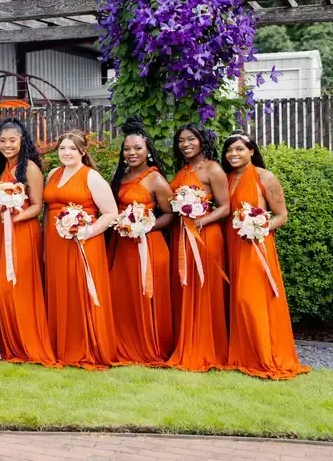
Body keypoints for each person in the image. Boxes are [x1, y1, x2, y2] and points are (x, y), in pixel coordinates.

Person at [221, 132, 309, 380]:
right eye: (229, 150)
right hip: (231, 244)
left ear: (251, 151)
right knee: (236, 299)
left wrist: (259, 227)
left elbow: (282, 215)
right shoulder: (227, 178)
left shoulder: (265, 177)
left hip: (256, 245)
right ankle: (241, 355)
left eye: (240, 149)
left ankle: (263, 354)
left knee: (251, 299)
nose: (233, 154)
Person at [43, 129, 120, 370]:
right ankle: (61, 346)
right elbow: (47, 210)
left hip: (83, 243)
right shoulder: (53, 174)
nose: (66, 153)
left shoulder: (92, 177)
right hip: (55, 243)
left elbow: (111, 213)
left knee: (80, 292)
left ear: (83, 151)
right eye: (62, 148)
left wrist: (87, 231)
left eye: (72, 149)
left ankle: (85, 347)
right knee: (60, 290)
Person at [0, 118, 57, 367]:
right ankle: (9, 343)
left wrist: (15, 217)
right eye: (2, 141)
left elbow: (37, 206)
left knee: (19, 287)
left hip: (22, 230)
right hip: (3, 231)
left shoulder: (30, 169)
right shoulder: (1, 168)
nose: (7, 145)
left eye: (12, 140)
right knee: (4, 289)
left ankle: (27, 343)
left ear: (22, 141)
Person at [108, 118, 175, 365]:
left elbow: (170, 215)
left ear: (148, 150)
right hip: (122, 246)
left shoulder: (156, 179)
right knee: (122, 295)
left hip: (149, 247)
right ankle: (124, 345)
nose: (132, 153)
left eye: (137, 148)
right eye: (127, 149)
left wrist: (145, 226)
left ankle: (149, 347)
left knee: (146, 296)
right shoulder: (120, 176)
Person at [167, 123, 230, 372]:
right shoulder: (183, 170)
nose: (185, 144)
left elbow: (225, 207)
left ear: (202, 140)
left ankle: (206, 347)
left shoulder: (213, 169)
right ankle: (185, 343)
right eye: (181, 140)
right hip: (182, 236)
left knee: (204, 289)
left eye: (191, 139)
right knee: (184, 287)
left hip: (205, 236)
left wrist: (201, 221)